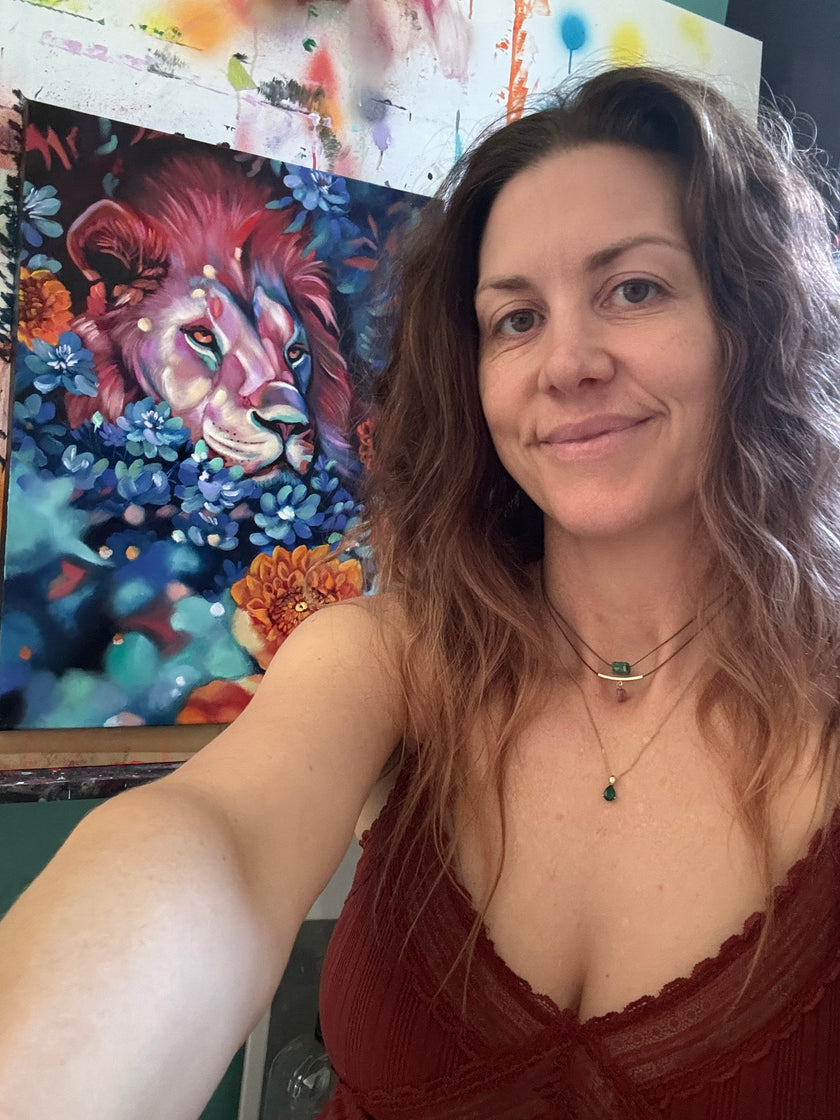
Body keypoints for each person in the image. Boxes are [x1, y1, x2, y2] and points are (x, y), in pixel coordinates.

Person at [1, 64, 840, 1119]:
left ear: (752, 324)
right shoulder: (387, 658)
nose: (566, 362)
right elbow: (212, 844)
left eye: (634, 289)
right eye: (515, 319)